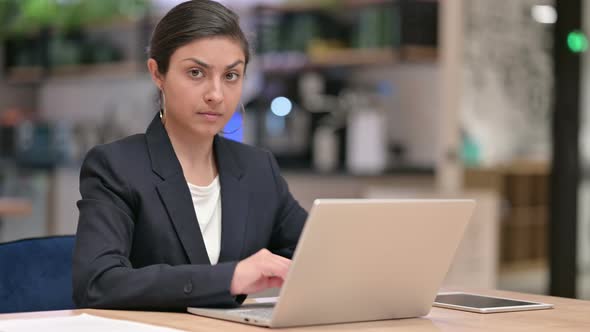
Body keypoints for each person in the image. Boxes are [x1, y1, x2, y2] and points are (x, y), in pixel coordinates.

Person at [72, 0, 308, 310]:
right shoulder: (115, 167)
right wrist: (230, 278)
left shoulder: (258, 168)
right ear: (158, 73)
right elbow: (96, 283)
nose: (216, 94)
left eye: (231, 76)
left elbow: (316, 253)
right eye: (196, 73)